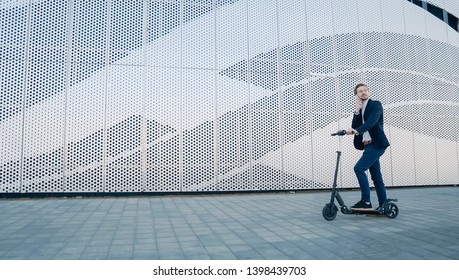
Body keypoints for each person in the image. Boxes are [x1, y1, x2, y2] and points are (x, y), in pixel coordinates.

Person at [345, 83, 390, 210]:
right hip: (367, 146)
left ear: (368, 91)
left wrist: (356, 131)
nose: (363, 92)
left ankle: (366, 201)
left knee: (359, 168)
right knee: (376, 176)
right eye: (360, 91)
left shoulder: (376, 104)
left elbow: (372, 122)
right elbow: (355, 125)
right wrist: (357, 110)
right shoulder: (361, 108)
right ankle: (384, 204)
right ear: (357, 95)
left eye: (365, 90)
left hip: (376, 144)